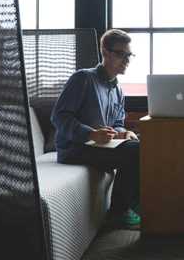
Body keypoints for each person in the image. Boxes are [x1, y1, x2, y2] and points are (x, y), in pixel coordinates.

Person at [51, 29, 140, 228]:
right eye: (121, 54)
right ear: (105, 52)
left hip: (101, 147)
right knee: (136, 151)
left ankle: (139, 204)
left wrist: (123, 132)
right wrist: (90, 134)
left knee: (139, 143)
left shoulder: (118, 89)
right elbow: (59, 117)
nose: (126, 60)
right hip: (75, 149)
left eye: (129, 55)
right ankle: (120, 212)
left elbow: (117, 122)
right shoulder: (83, 78)